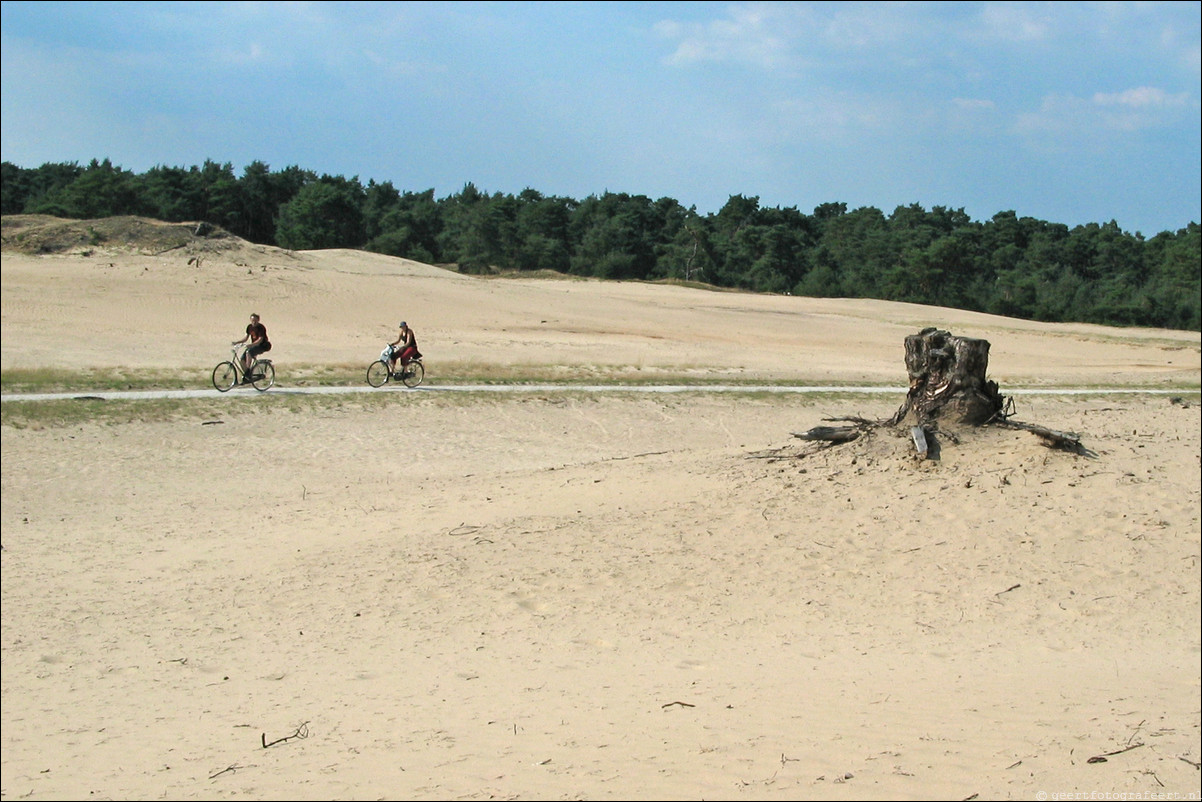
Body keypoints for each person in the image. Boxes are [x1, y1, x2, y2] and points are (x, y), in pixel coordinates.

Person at [232, 313, 271, 381]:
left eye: (255, 320)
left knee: (249, 352)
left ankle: (248, 369)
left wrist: (251, 345)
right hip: (254, 345)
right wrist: (237, 342)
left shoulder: (261, 327)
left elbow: (260, 340)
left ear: (258, 320)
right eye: (252, 320)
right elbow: (246, 338)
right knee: (242, 360)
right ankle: (248, 374)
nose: (254, 322)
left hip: (262, 346)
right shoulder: (249, 327)